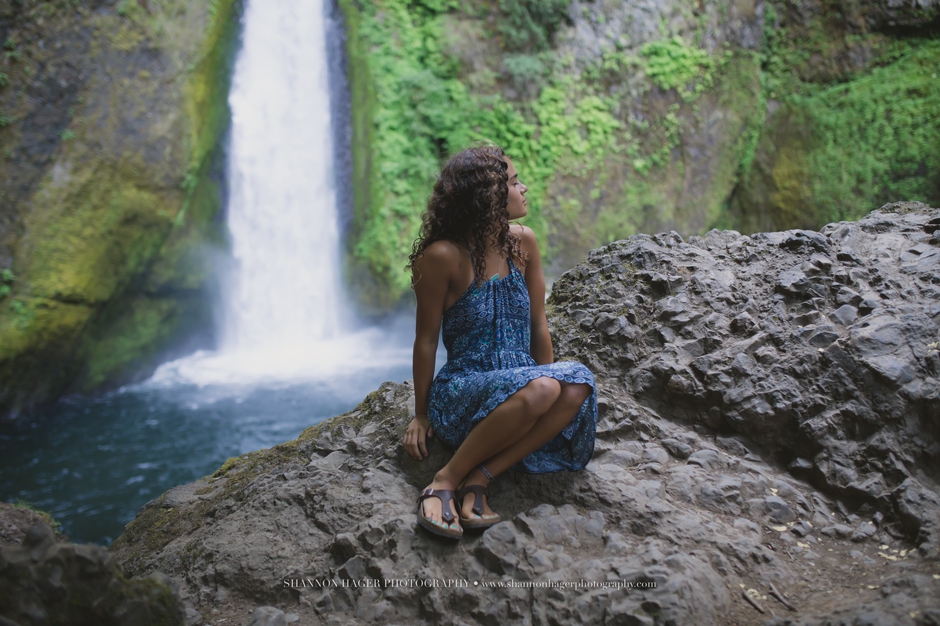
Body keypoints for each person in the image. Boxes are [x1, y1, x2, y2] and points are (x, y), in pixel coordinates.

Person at [402, 144, 597, 539]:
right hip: (464, 388)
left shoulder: (524, 242)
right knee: (543, 387)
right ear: (487, 196)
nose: (523, 188)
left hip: (523, 384)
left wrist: (550, 391)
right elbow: (426, 342)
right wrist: (420, 414)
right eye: (513, 182)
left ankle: (482, 474)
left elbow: (538, 326)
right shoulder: (442, 257)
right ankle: (444, 481)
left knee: (576, 383)